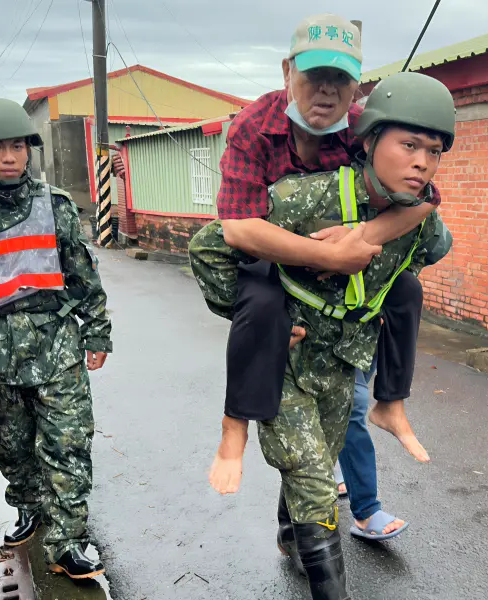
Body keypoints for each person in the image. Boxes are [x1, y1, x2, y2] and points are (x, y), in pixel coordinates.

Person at [190, 70, 456, 599]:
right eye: (408, 145)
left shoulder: (424, 222)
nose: (422, 162)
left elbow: (422, 256)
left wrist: (372, 269)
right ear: (370, 141)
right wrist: (255, 316)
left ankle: (292, 532)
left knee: (317, 457)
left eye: (433, 150)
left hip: (342, 363)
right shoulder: (302, 198)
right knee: (312, 472)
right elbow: (210, 245)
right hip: (286, 359)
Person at [210, 12, 439, 540]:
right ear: (288, 70)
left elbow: (425, 201)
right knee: (264, 313)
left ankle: (390, 408)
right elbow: (238, 230)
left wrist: (363, 240)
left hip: (343, 281)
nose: (327, 91)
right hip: (274, 258)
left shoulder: (363, 129)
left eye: (341, 79)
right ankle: (233, 427)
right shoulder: (253, 127)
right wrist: (329, 258)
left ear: (357, 84)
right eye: (315, 76)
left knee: (402, 295)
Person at [0, 98, 112, 580]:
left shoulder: (54, 207)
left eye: (17, 146)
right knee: (13, 447)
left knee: (68, 444)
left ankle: (69, 540)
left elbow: (83, 277)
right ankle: (29, 507)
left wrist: (97, 331)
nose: (10, 156)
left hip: (56, 348)